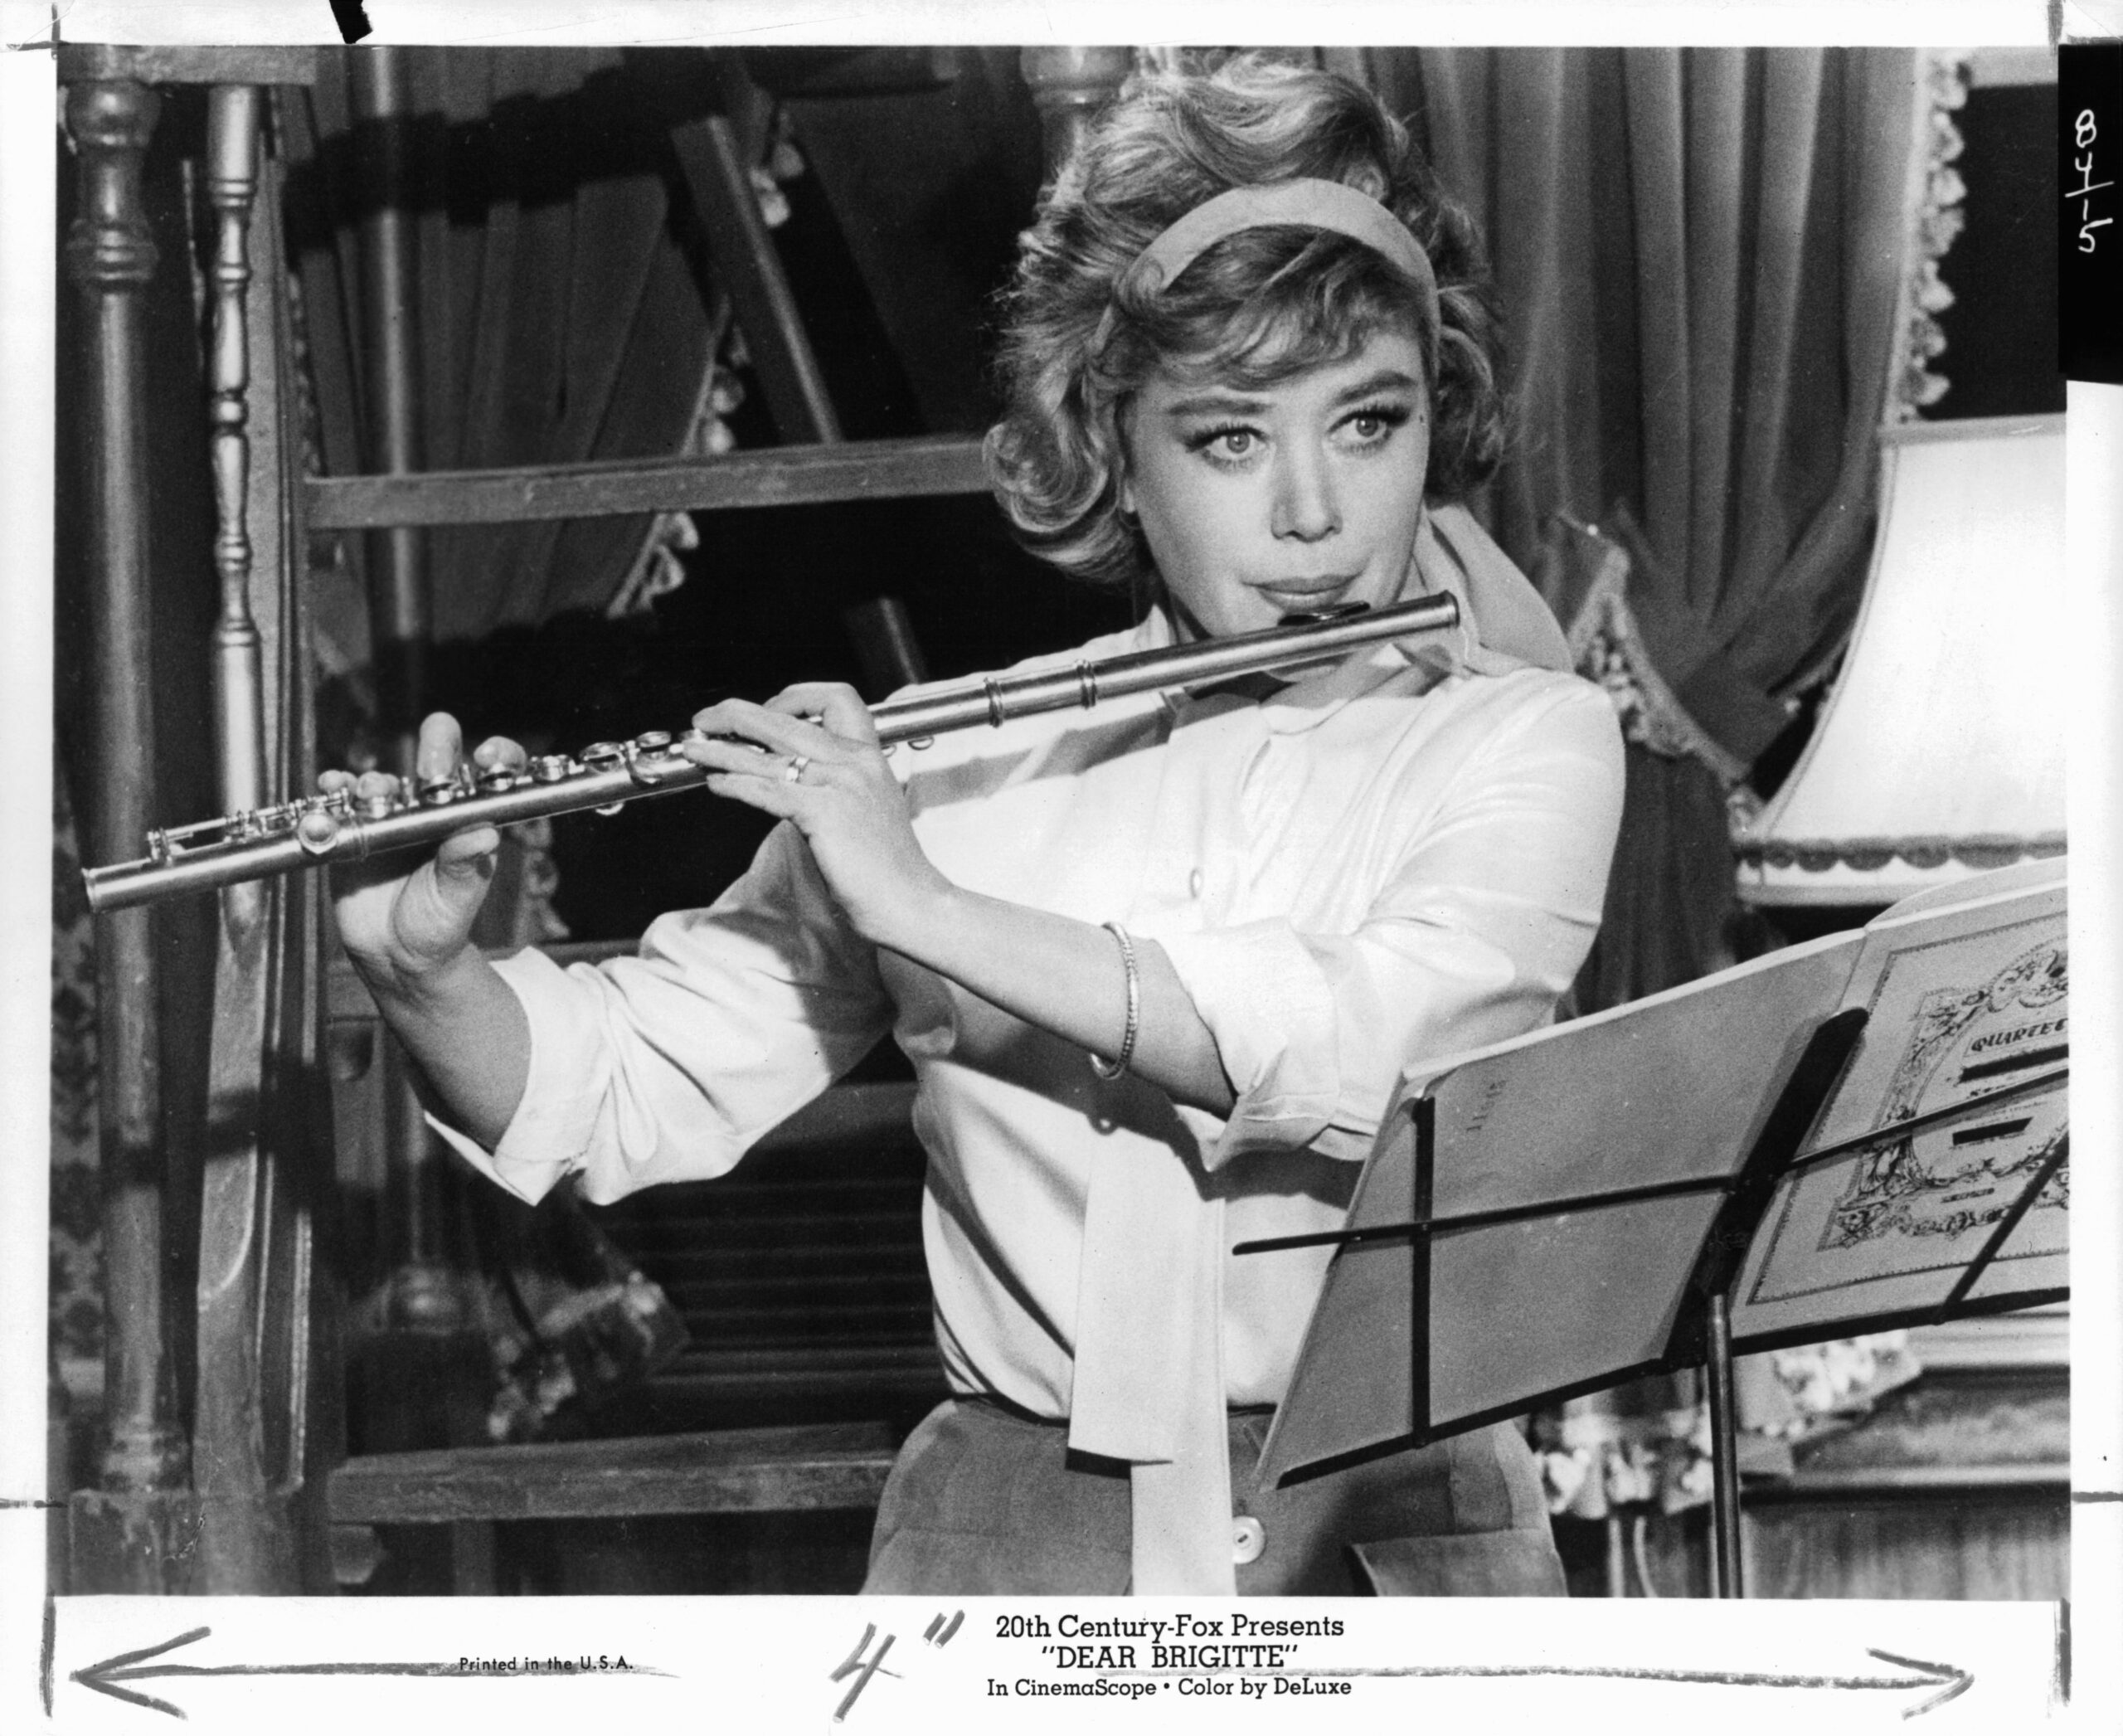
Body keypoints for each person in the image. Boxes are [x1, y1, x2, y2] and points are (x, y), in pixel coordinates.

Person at [328, 56, 1625, 1597]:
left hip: (1400, 1526)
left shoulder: (1527, 735)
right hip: (1018, 1527)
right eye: (1227, 437)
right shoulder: (965, 756)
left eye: (1367, 422)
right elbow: (621, 1086)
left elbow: (1364, 1040)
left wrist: (927, 907)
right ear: (1113, 451)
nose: (1313, 514)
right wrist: (427, 976)